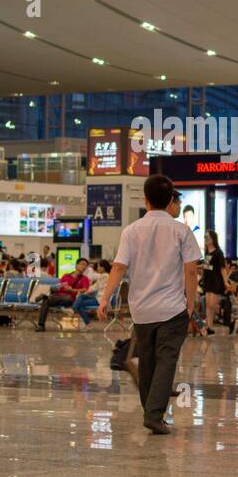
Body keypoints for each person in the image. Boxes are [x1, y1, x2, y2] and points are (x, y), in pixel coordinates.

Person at [98, 174, 199, 434]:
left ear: (145, 200)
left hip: (141, 310)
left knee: (148, 362)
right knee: (166, 361)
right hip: (172, 308)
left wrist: (105, 298)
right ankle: (154, 416)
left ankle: (151, 413)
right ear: (169, 201)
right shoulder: (181, 231)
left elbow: (119, 266)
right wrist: (191, 304)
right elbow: (190, 271)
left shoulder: (131, 231)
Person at [37, 258, 90, 331]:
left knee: (64, 297)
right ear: (76, 265)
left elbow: (85, 290)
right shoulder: (66, 276)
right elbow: (59, 287)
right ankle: (41, 325)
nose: (84, 266)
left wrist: (72, 290)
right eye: (82, 264)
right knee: (46, 301)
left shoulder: (84, 278)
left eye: (86, 265)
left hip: (71, 299)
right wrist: (56, 288)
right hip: (58, 297)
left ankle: (45, 296)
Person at [201, 231, 226, 334]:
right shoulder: (207, 252)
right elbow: (206, 266)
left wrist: (225, 282)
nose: (206, 239)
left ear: (213, 239)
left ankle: (210, 324)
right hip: (208, 280)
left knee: (212, 305)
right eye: (205, 237)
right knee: (207, 304)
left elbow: (222, 268)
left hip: (216, 281)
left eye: (208, 237)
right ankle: (209, 326)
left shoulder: (218, 253)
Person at [73, 260, 110, 326]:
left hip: (100, 299)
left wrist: (86, 291)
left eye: (98, 266)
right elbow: (95, 287)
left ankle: (87, 322)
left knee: (80, 304)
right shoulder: (104, 275)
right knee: (81, 296)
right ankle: (74, 308)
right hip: (99, 297)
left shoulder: (105, 276)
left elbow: (95, 287)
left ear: (103, 267)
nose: (97, 268)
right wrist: (86, 292)